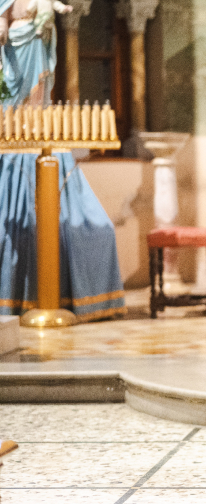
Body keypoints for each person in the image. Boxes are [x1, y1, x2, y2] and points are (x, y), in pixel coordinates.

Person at [0, 0, 125, 320]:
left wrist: (50, 16)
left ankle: (73, 298)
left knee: (99, 229)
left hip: (36, 63)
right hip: (13, 81)